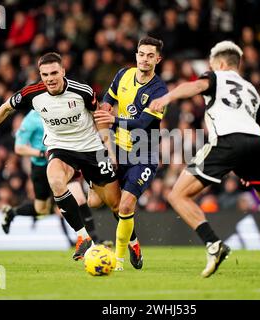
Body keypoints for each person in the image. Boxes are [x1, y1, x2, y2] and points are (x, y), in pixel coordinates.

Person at [148, 40, 260, 278]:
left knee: (177, 195)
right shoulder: (252, 90)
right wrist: (247, 167)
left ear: (220, 64)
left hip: (227, 139)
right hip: (255, 144)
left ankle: (213, 244)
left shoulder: (216, 77)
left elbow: (195, 87)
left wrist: (166, 98)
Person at [0, 52, 120, 261]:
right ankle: (82, 236)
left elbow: (98, 114)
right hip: (45, 160)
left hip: (81, 151)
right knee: (42, 207)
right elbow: (7, 112)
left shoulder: (81, 92)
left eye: (53, 73)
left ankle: (91, 239)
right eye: (44, 74)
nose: (49, 78)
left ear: (63, 72)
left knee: (86, 198)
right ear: (39, 75)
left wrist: (108, 145)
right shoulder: (32, 107)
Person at [93, 36, 168, 271]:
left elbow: (143, 123)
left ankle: (119, 259)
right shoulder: (123, 74)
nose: (145, 59)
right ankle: (134, 242)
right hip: (117, 148)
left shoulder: (160, 90)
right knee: (94, 201)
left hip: (143, 154)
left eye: (150, 55)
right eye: (141, 54)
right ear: (136, 55)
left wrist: (112, 119)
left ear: (158, 59)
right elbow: (109, 96)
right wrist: (106, 106)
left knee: (126, 206)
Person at [1, 109, 101, 253]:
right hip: (41, 166)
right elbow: (19, 148)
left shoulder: (59, 109)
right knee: (41, 209)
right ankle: (12, 213)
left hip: (61, 161)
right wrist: (41, 153)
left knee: (79, 198)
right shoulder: (31, 119)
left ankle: (94, 240)